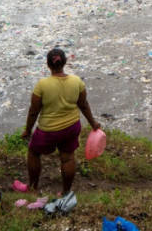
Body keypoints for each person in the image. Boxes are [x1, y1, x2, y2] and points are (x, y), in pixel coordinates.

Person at [13, 47, 100, 201]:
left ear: (48, 65)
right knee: (67, 158)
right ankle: (66, 193)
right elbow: (84, 105)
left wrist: (27, 130)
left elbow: (34, 111)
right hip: (72, 127)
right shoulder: (76, 81)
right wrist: (93, 123)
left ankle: (32, 188)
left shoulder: (42, 85)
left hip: (48, 130)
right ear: (65, 62)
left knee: (33, 152)